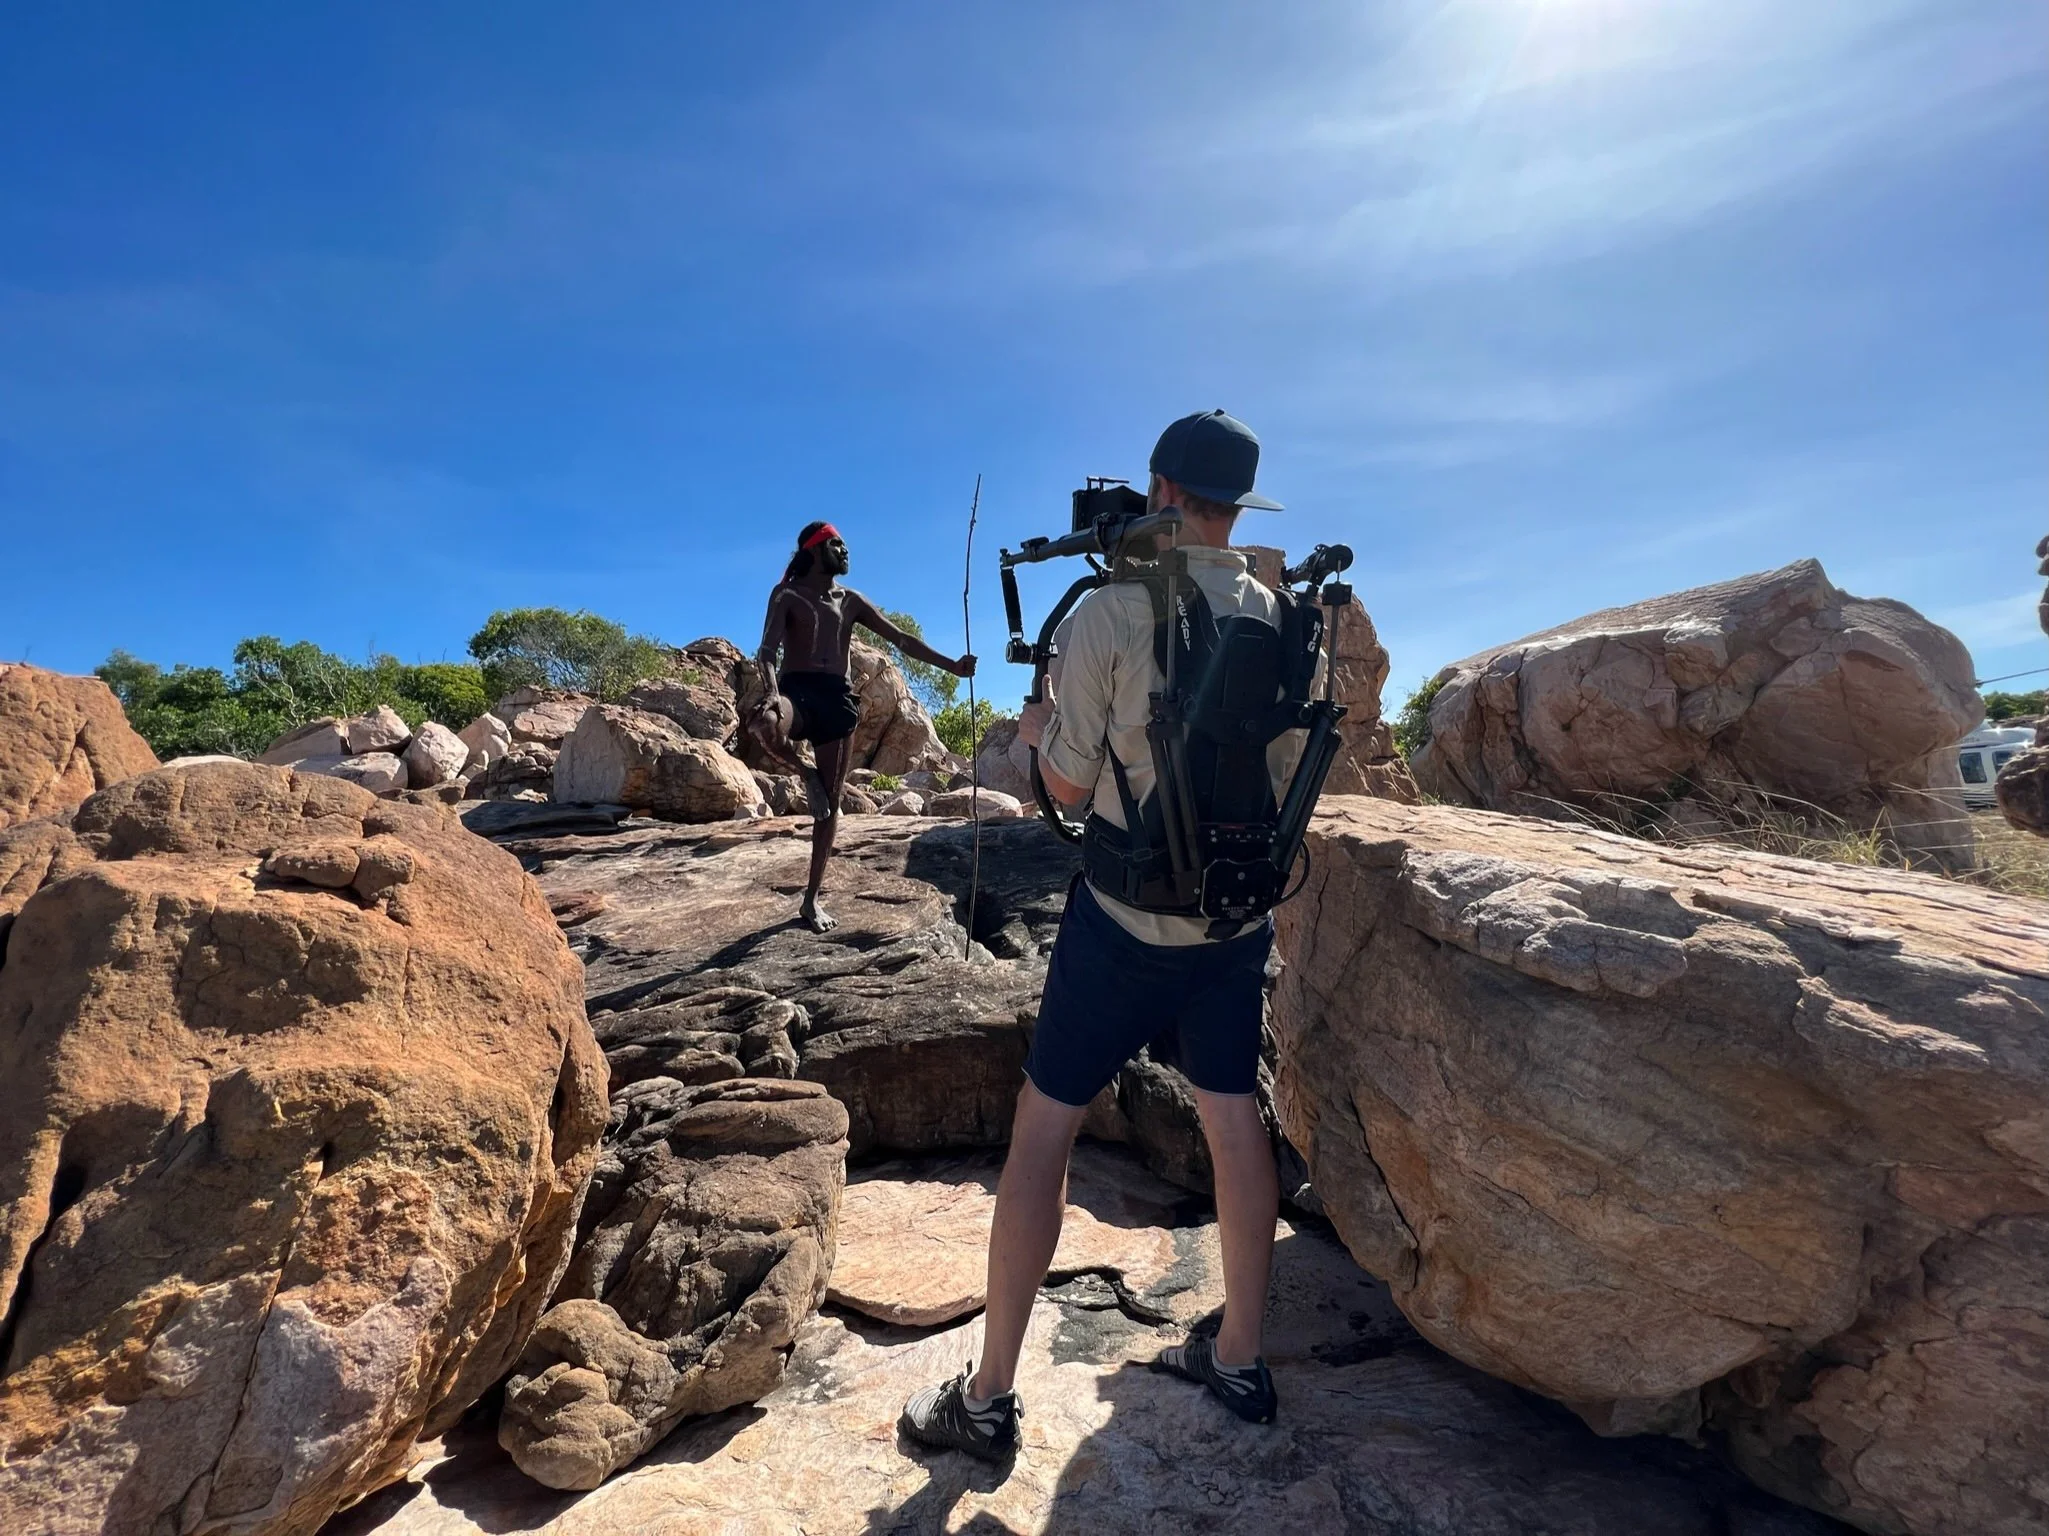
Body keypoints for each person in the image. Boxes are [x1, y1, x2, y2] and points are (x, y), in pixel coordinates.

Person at [902, 410, 1299, 1462]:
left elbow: (1067, 790)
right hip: (1233, 919)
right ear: (1234, 507)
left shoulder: (1110, 612)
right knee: (1230, 1119)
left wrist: (1034, 733)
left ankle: (988, 1398)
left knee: (1045, 1127)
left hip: (1123, 923)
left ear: (1163, 494)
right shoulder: (1277, 608)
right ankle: (1241, 1358)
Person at [748, 520, 974, 933]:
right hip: (796, 693)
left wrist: (953, 667)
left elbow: (902, 639)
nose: (846, 551)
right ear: (815, 550)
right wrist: (770, 690)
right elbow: (766, 652)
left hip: (836, 699)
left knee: (830, 806)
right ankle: (806, 774)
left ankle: (810, 899)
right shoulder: (786, 595)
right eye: (838, 544)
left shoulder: (850, 601)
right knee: (764, 724)